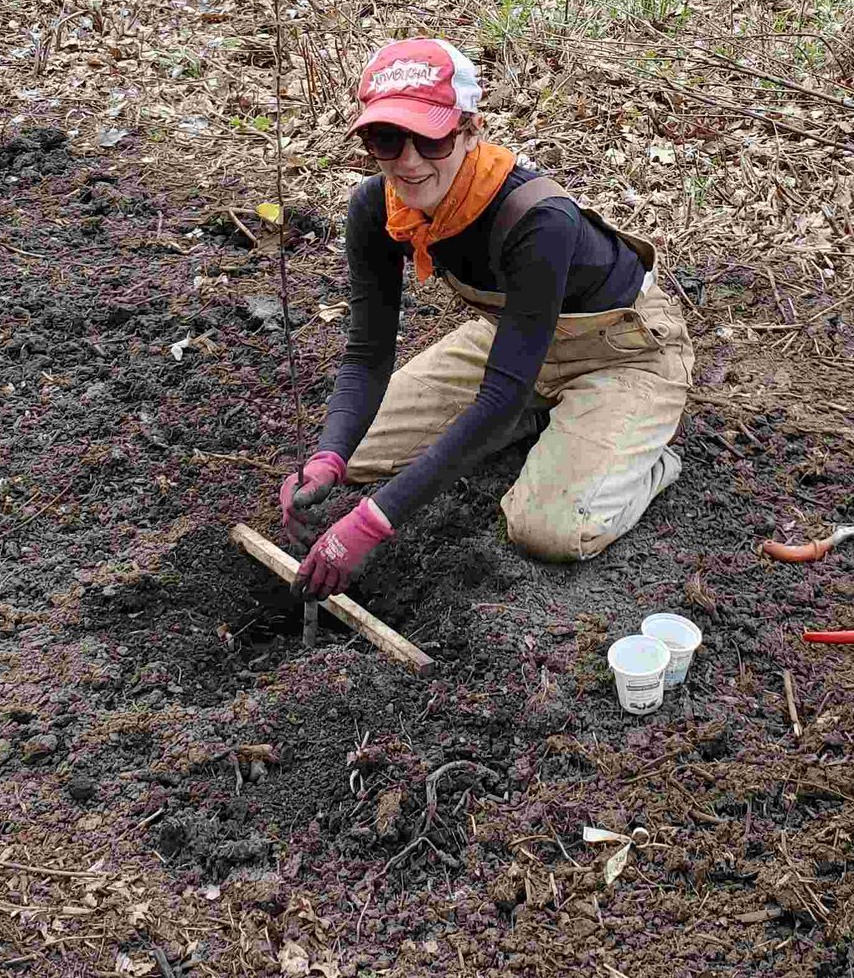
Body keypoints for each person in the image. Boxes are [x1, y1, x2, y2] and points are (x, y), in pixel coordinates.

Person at [277, 38, 693, 598]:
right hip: (516, 344)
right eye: (386, 139)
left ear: (470, 128)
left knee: (548, 530)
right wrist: (327, 456)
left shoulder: (536, 218)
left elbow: (496, 398)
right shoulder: (379, 208)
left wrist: (371, 524)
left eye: (431, 136)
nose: (409, 161)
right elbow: (367, 353)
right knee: (357, 457)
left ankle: (642, 459)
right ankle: (538, 418)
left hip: (623, 352)